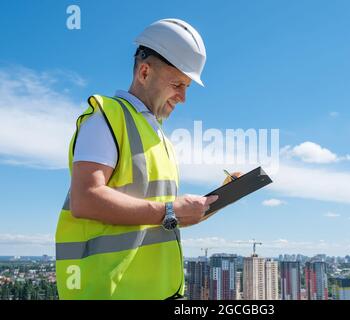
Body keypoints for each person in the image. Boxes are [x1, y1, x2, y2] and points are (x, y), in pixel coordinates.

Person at [55, 18, 231, 300]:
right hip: (110, 293)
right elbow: (85, 199)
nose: (183, 97)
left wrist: (195, 210)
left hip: (157, 292)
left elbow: (153, 214)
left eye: (187, 86)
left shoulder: (158, 136)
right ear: (145, 72)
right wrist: (172, 212)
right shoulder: (107, 118)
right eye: (178, 84)